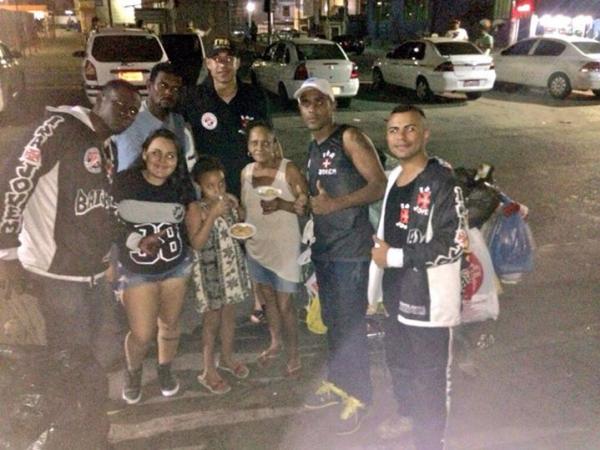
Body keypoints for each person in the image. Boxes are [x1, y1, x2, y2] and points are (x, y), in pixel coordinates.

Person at [0, 79, 140, 447]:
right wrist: (6, 252)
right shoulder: (58, 128)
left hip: (92, 274)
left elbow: (103, 206)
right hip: (55, 275)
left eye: (133, 111)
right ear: (99, 98)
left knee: (96, 358)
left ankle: (90, 430)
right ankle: (77, 436)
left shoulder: (106, 146)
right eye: (119, 105)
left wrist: (126, 240)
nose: (126, 114)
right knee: (72, 363)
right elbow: (14, 180)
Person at [368, 105, 466, 450]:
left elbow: (453, 244)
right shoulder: (394, 177)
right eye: (393, 130)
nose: (401, 137)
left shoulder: (442, 181)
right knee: (400, 365)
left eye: (410, 129)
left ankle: (430, 442)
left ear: (425, 134)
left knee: (431, 380)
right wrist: (373, 292)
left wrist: (393, 257)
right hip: (396, 295)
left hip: (428, 302)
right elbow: (384, 237)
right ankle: (408, 416)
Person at [292, 78, 387, 435]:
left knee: (351, 326)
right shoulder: (313, 148)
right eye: (306, 103)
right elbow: (320, 198)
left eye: (319, 101)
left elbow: (379, 184)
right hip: (325, 250)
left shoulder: (349, 137)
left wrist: (336, 204)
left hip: (351, 251)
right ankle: (338, 382)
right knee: (334, 322)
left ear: (332, 105)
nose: (312, 109)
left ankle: (360, 396)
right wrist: (303, 204)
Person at [115, 128, 195, 405]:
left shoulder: (181, 186)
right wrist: (135, 241)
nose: (162, 161)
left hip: (176, 267)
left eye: (170, 156)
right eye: (156, 153)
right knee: (142, 333)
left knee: (170, 325)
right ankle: (133, 372)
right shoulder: (124, 183)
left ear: (178, 160)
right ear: (144, 153)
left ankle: (165, 369)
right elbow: (109, 223)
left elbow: (194, 218)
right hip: (137, 271)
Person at [241, 121, 308, 377]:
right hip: (257, 247)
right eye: (254, 143)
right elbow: (247, 209)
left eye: (265, 142)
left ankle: (294, 354)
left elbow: (306, 206)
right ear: (248, 147)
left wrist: (283, 204)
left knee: (286, 305)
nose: (260, 147)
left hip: (284, 250)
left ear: (274, 144)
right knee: (268, 302)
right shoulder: (246, 172)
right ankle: (275, 343)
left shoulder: (287, 169)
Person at [187, 156, 252, 394]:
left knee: (229, 316)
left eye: (221, 184)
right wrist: (213, 215)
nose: (218, 190)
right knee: (211, 320)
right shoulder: (196, 209)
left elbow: (239, 224)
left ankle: (226, 357)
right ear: (199, 186)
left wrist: (239, 209)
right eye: (210, 186)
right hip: (209, 272)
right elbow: (196, 243)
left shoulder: (227, 202)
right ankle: (208, 370)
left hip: (230, 267)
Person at [179, 37, 271, 198]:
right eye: (217, 59)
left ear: (237, 63)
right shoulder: (191, 98)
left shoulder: (255, 96)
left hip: (250, 185)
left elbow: (270, 139)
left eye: (229, 59)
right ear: (208, 63)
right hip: (208, 190)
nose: (223, 65)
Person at [113, 62, 196, 173]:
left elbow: (186, 166)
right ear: (149, 86)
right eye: (163, 86)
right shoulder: (132, 122)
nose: (168, 92)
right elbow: (129, 173)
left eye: (175, 89)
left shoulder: (178, 122)